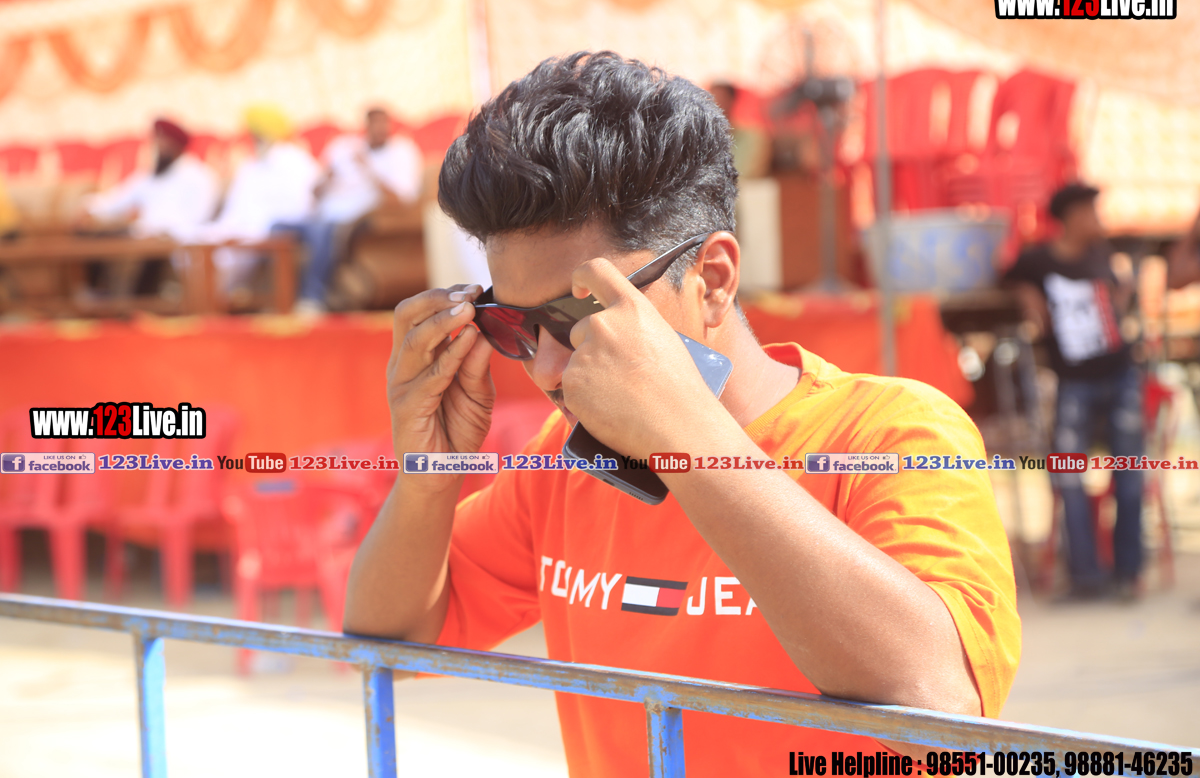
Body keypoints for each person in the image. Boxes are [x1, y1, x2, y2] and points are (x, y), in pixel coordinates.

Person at [344, 52, 1019, 775]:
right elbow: (390, 643)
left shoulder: (890, 433)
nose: (545, 368)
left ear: (713, 279)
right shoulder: (566, 463)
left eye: (578, 315)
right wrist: (429, 476)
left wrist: (686, 442)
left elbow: (940, 706)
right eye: (515, 325)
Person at [1003, 183, 1142, 601]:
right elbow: (1006, 278)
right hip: (1074, 382)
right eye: (1092, 212)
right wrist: (1026, 295)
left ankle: (1128, 573)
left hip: (1120, 374)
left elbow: (1119, 301)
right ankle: (1085, 576)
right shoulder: (1037, 261)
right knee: (1067, 476)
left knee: (1129, 473)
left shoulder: (1103, 256)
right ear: (1073, 217)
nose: (1099, 220)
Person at [273, 107, 421, 313]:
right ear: (366, 126)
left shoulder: (401, 152)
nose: (379, 129)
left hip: (352, 219)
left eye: (383, 124)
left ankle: (311, 297)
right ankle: (276, 300)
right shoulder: (344, 147)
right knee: (277, 227)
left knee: (323, 231)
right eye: (375, 124)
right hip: (319, 215)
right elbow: (314, 193)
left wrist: (367, 168)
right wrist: (327, 176)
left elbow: (401, 200)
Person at [80, 118, 220, 295]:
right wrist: (88, 207)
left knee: (154, 252)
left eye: (162, 141)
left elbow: (199, 216)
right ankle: (98, 295)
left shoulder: (199, 176)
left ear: (175, 144)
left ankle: (140, 302)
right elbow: (115, 201)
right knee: (93, 237)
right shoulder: (150, 175)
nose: (157, 146)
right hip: (143, 235)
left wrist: (161, 230)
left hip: (174, 238)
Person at [194, 105, 320, 298]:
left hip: (270, 232)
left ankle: (212, 302)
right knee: (196, 241)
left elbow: (303, 208)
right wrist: (229, 229)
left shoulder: (298, 162)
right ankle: (200, 301)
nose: (254, 141)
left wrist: (251, 228)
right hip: (238, 230)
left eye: (258, 136)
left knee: (226, 256)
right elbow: (234, 210)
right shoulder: (250, 166)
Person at [709, 81, 772, 179]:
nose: (716, 103)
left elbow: (746, 176)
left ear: (732, 101)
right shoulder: (701, 139)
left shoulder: (754, 137)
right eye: (711, 99)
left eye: (721, 98)